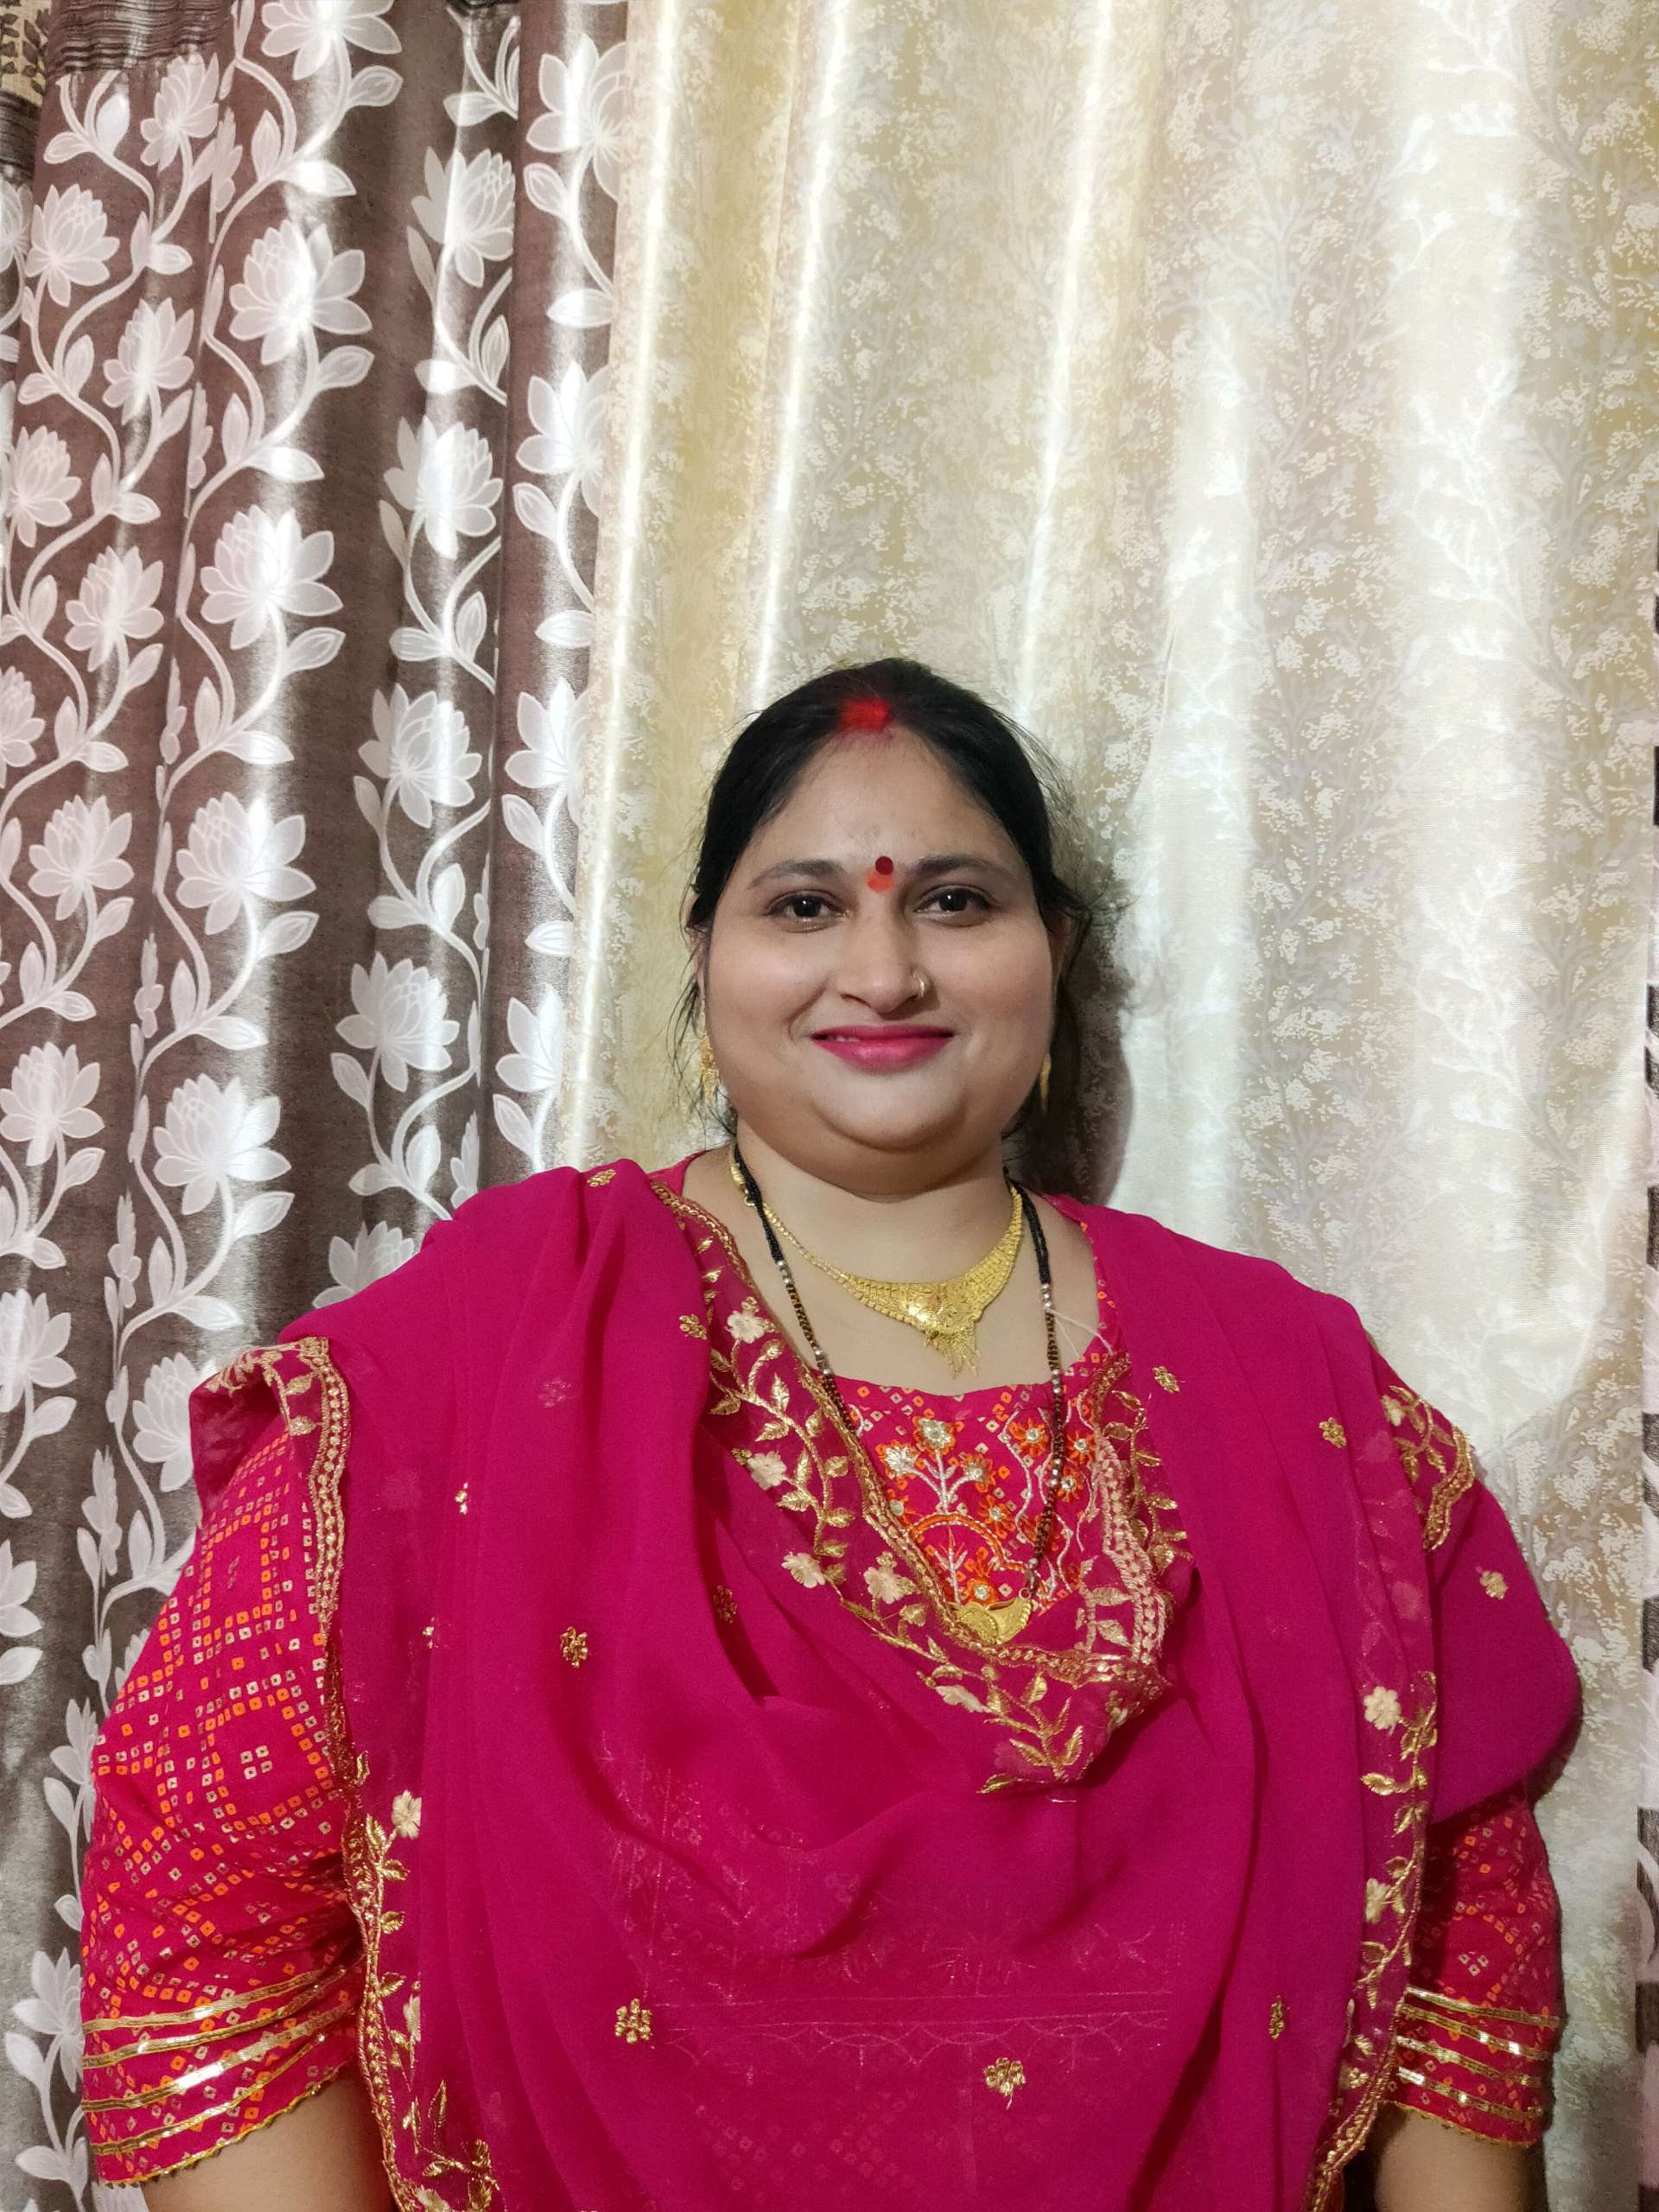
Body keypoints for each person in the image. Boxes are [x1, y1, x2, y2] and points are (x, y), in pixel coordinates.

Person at [79, 660, 1577, 2212]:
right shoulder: (478, 1360)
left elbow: (1461, 1961)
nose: (883, 970)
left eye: (955, 902)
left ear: (1057, 950)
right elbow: (201, 1911)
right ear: (702, 952)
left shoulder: (1283, 1382)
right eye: (804, 906)